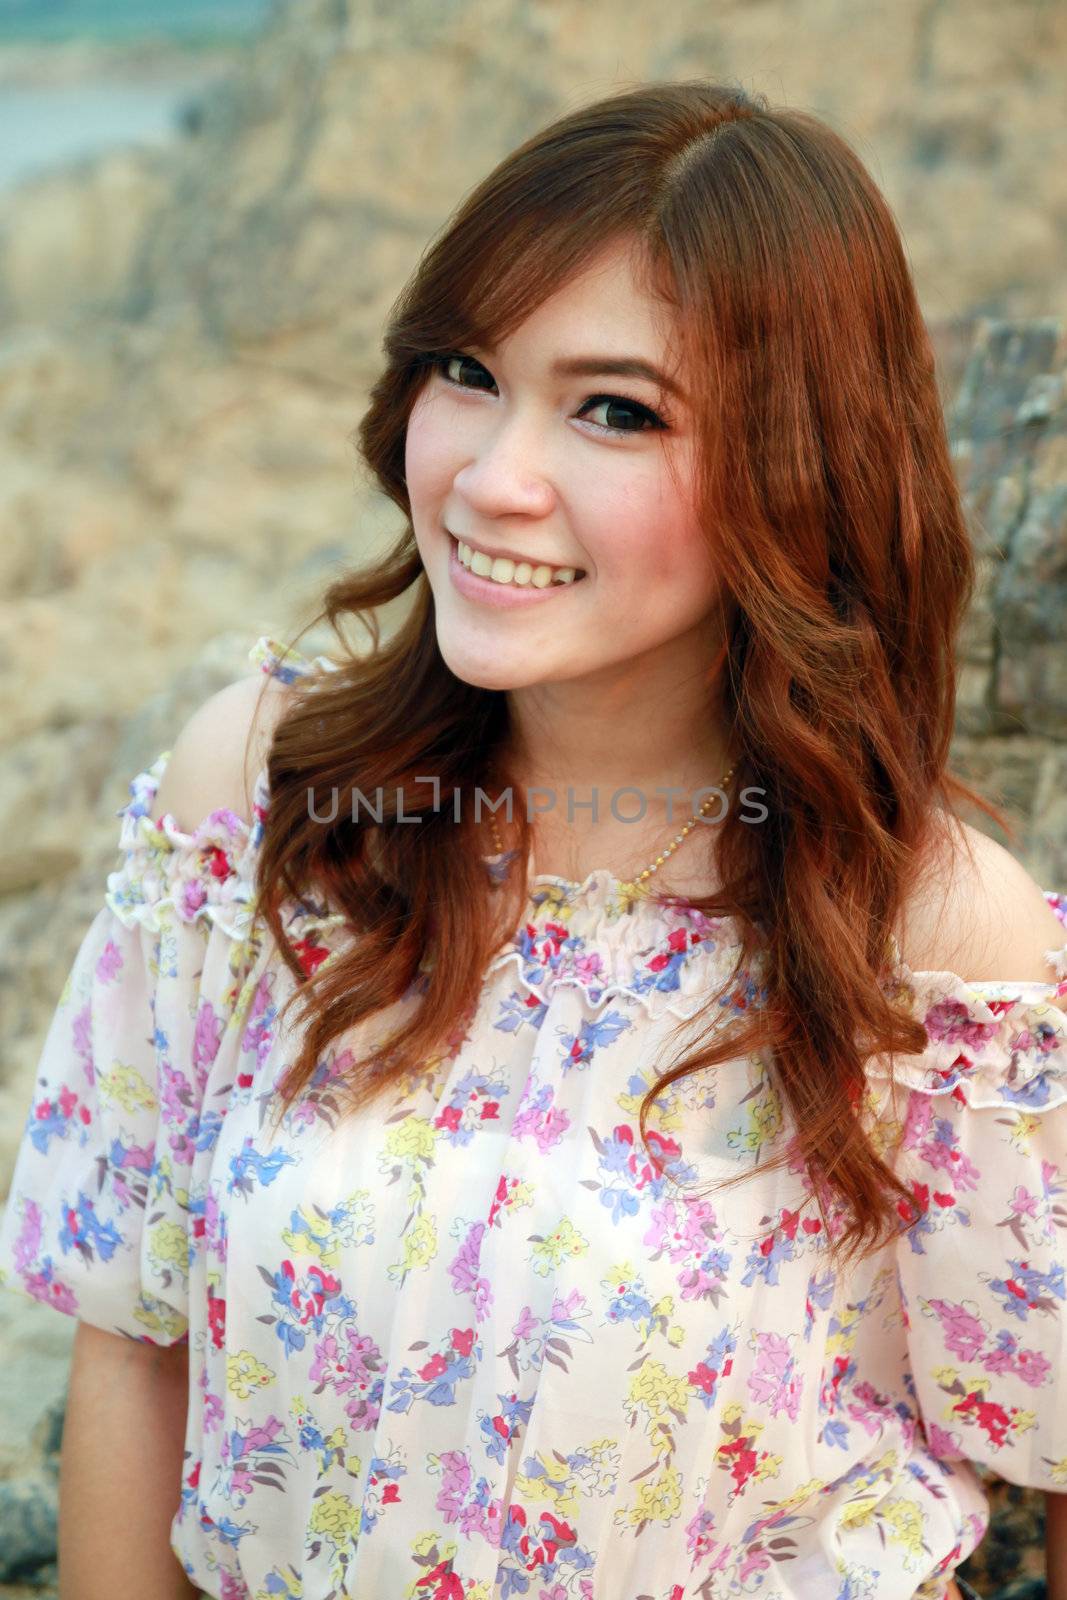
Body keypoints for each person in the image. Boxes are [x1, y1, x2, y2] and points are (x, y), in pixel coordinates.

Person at [1, 79, 1065, 1600]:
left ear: (799, 465)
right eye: (466, 370)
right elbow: (131, 1330)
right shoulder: (273, 801)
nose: (494, 479)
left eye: (616, 410)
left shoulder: (935, 937)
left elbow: (1054, 1440)